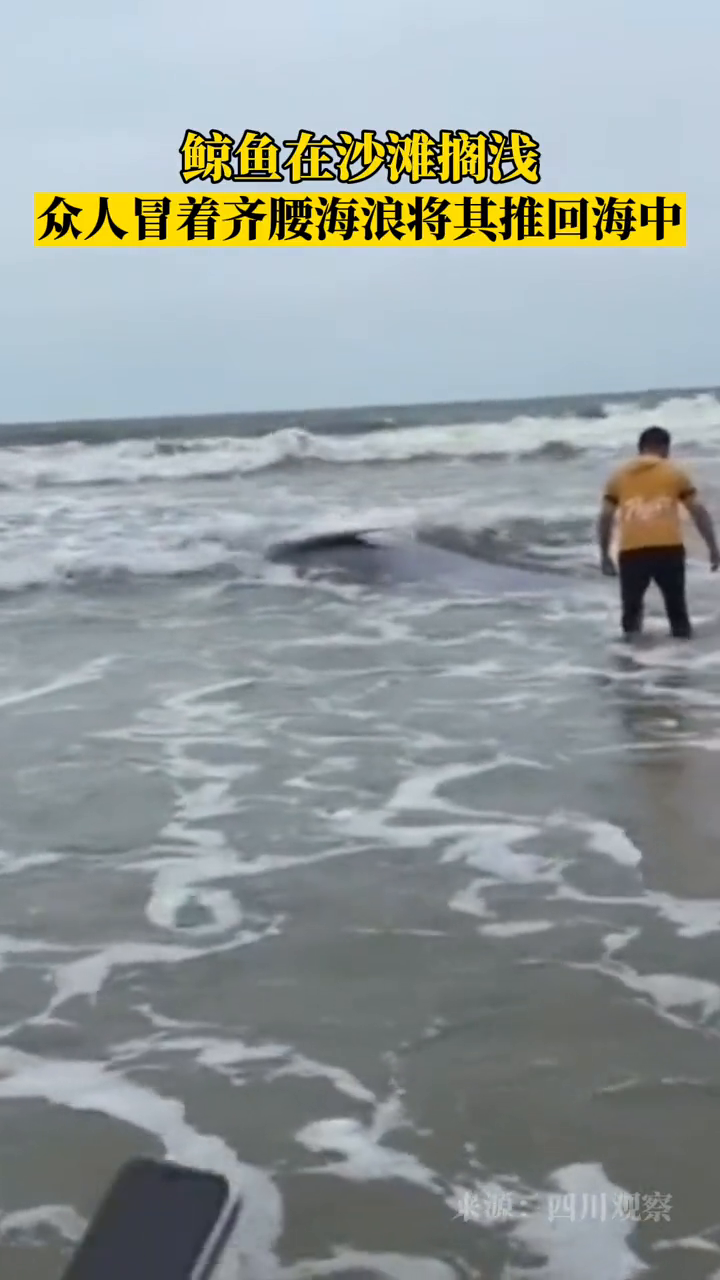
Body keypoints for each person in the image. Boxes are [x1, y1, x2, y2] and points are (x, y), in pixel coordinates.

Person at [597, 425, 719, 639]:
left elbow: (605, 518)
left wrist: (604, 554)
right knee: (677, 612)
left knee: (631, 614)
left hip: (632, 552)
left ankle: (630, 663)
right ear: (664, 448)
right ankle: (683, 665)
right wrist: (713, 548)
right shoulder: (674, 473)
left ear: (640, 448)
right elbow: (698, 512)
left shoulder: (618, 476)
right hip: (668, 550)